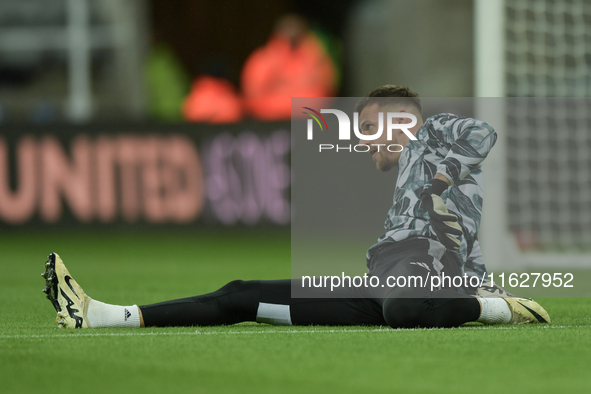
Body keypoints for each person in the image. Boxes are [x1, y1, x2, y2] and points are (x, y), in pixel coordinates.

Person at [42, 85, 550, 329]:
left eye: (372, 129)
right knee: (241, 293)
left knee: (406, 307)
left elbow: (484, 134)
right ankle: (106, 316)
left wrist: (487, 297)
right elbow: (464, 241)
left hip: (413, 275)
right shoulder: (419, 172)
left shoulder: (434, 135)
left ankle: (498, 311)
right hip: (385, 279)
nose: (366, 141)